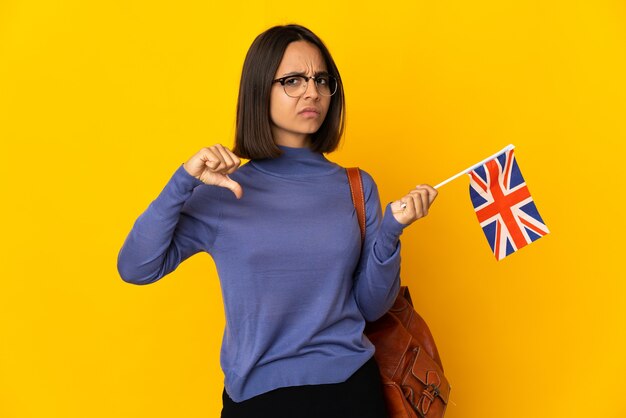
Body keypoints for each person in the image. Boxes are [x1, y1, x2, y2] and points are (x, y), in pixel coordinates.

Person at [117, 24, 438, 418]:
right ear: (259, 90)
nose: (312, 92)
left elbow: (370, 308)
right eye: (293, 80)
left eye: (322, 80)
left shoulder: (355, 186)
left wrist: (390, 231)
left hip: (351, 392)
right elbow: (136, 267)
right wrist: (182, 181)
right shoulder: (223, 189)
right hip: (258, 401)